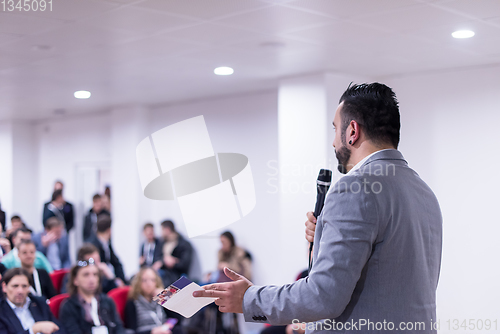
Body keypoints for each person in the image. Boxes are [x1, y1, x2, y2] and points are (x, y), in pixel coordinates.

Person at [194, 83, 443, 333]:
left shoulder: (355, 188)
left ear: (352, 131)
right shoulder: (424, 192)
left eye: (336, 129)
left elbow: (324, 296)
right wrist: (325, 239)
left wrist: (250, 298)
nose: (334, 142)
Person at [59, 259, 125, 334]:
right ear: (75, 280)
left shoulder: (107, 301)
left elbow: (119, 327)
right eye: (86, 275)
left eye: (95, 274)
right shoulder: (69, 306)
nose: (91, 279)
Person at [0, 268, 65, 334]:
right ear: (4, 287)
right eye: (15, 286)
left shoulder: (39, 303)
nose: (20, 291)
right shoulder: (2, 311)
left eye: (24, 286)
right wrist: (33, 330)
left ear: (29, 288)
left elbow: (58, 328)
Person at [125, 267, 179, 334]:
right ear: (138, 283)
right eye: (144, 280)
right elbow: (132, 330)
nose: (149, 284)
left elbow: (178, 318)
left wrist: (165, 296)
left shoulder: (160, 298)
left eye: (153, 280)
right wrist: (152, 332)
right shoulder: (133, 301)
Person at [87, 215, 126, 286]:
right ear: (109, 230)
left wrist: (121, 279)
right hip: (103, 280)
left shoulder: (107, 242)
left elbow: (116, 262)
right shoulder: (91, 246)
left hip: (111, 276)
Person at [158, 220, 192, 287]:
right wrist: (164, 261)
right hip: (164, 273)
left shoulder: (184, 244)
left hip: (176, 274)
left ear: (167, 230)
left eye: (162, 230)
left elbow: (185, 264)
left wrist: (174, 263)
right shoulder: (162, 243)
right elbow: (158, 257)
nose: (161, 233)